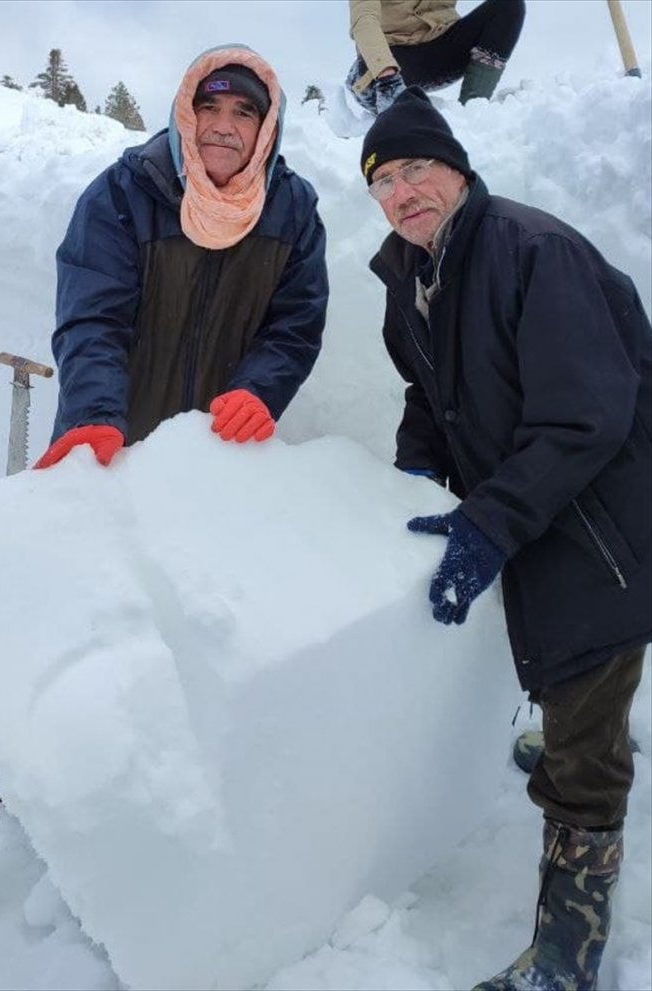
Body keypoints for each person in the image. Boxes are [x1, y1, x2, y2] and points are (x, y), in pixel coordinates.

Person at [360, 86, 651, 990]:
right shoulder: (413, 275)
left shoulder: (533, 251)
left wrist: (489, 518)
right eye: (384, 181)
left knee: (584, 702)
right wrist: (411, 470)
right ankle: (580, 735)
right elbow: (427, 396)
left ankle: (568, 953)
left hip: (605, 527)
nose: (404, 192)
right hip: (541, 512)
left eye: (418, 169)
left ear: (457, 168)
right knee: (568, 670)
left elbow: (581, 416)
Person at [35, 45, 328, 469]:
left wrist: (258, 390)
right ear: (185, 116)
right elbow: (94, 318)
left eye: (244, 113)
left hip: (217, 449)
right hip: (109, 443)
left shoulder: (292, 209)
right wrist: (94, 412)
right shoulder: (123, 193)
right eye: (209, 107)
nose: (223, 127)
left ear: (267, 128)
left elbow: (295, 324)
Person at [346, 0, 526, 115]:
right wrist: (387, 77)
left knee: (508, 5)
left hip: (441, 50)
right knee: (369, 74)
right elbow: (364, 19)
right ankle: (390, 94)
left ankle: (473, 110)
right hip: (390, 61)